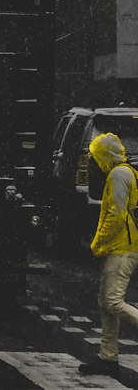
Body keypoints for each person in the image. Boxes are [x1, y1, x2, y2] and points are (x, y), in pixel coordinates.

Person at [78, 131, 138, 377]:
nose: (94, 161)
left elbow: (116, 214)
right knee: (106, 303)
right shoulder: (125, 172)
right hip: (121, 246)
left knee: (112, 301)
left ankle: (108, 356)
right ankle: (107, 357)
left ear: (105, 155)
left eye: (96, 156)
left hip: (121, 248)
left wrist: (97, 243)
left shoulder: (118, 175)